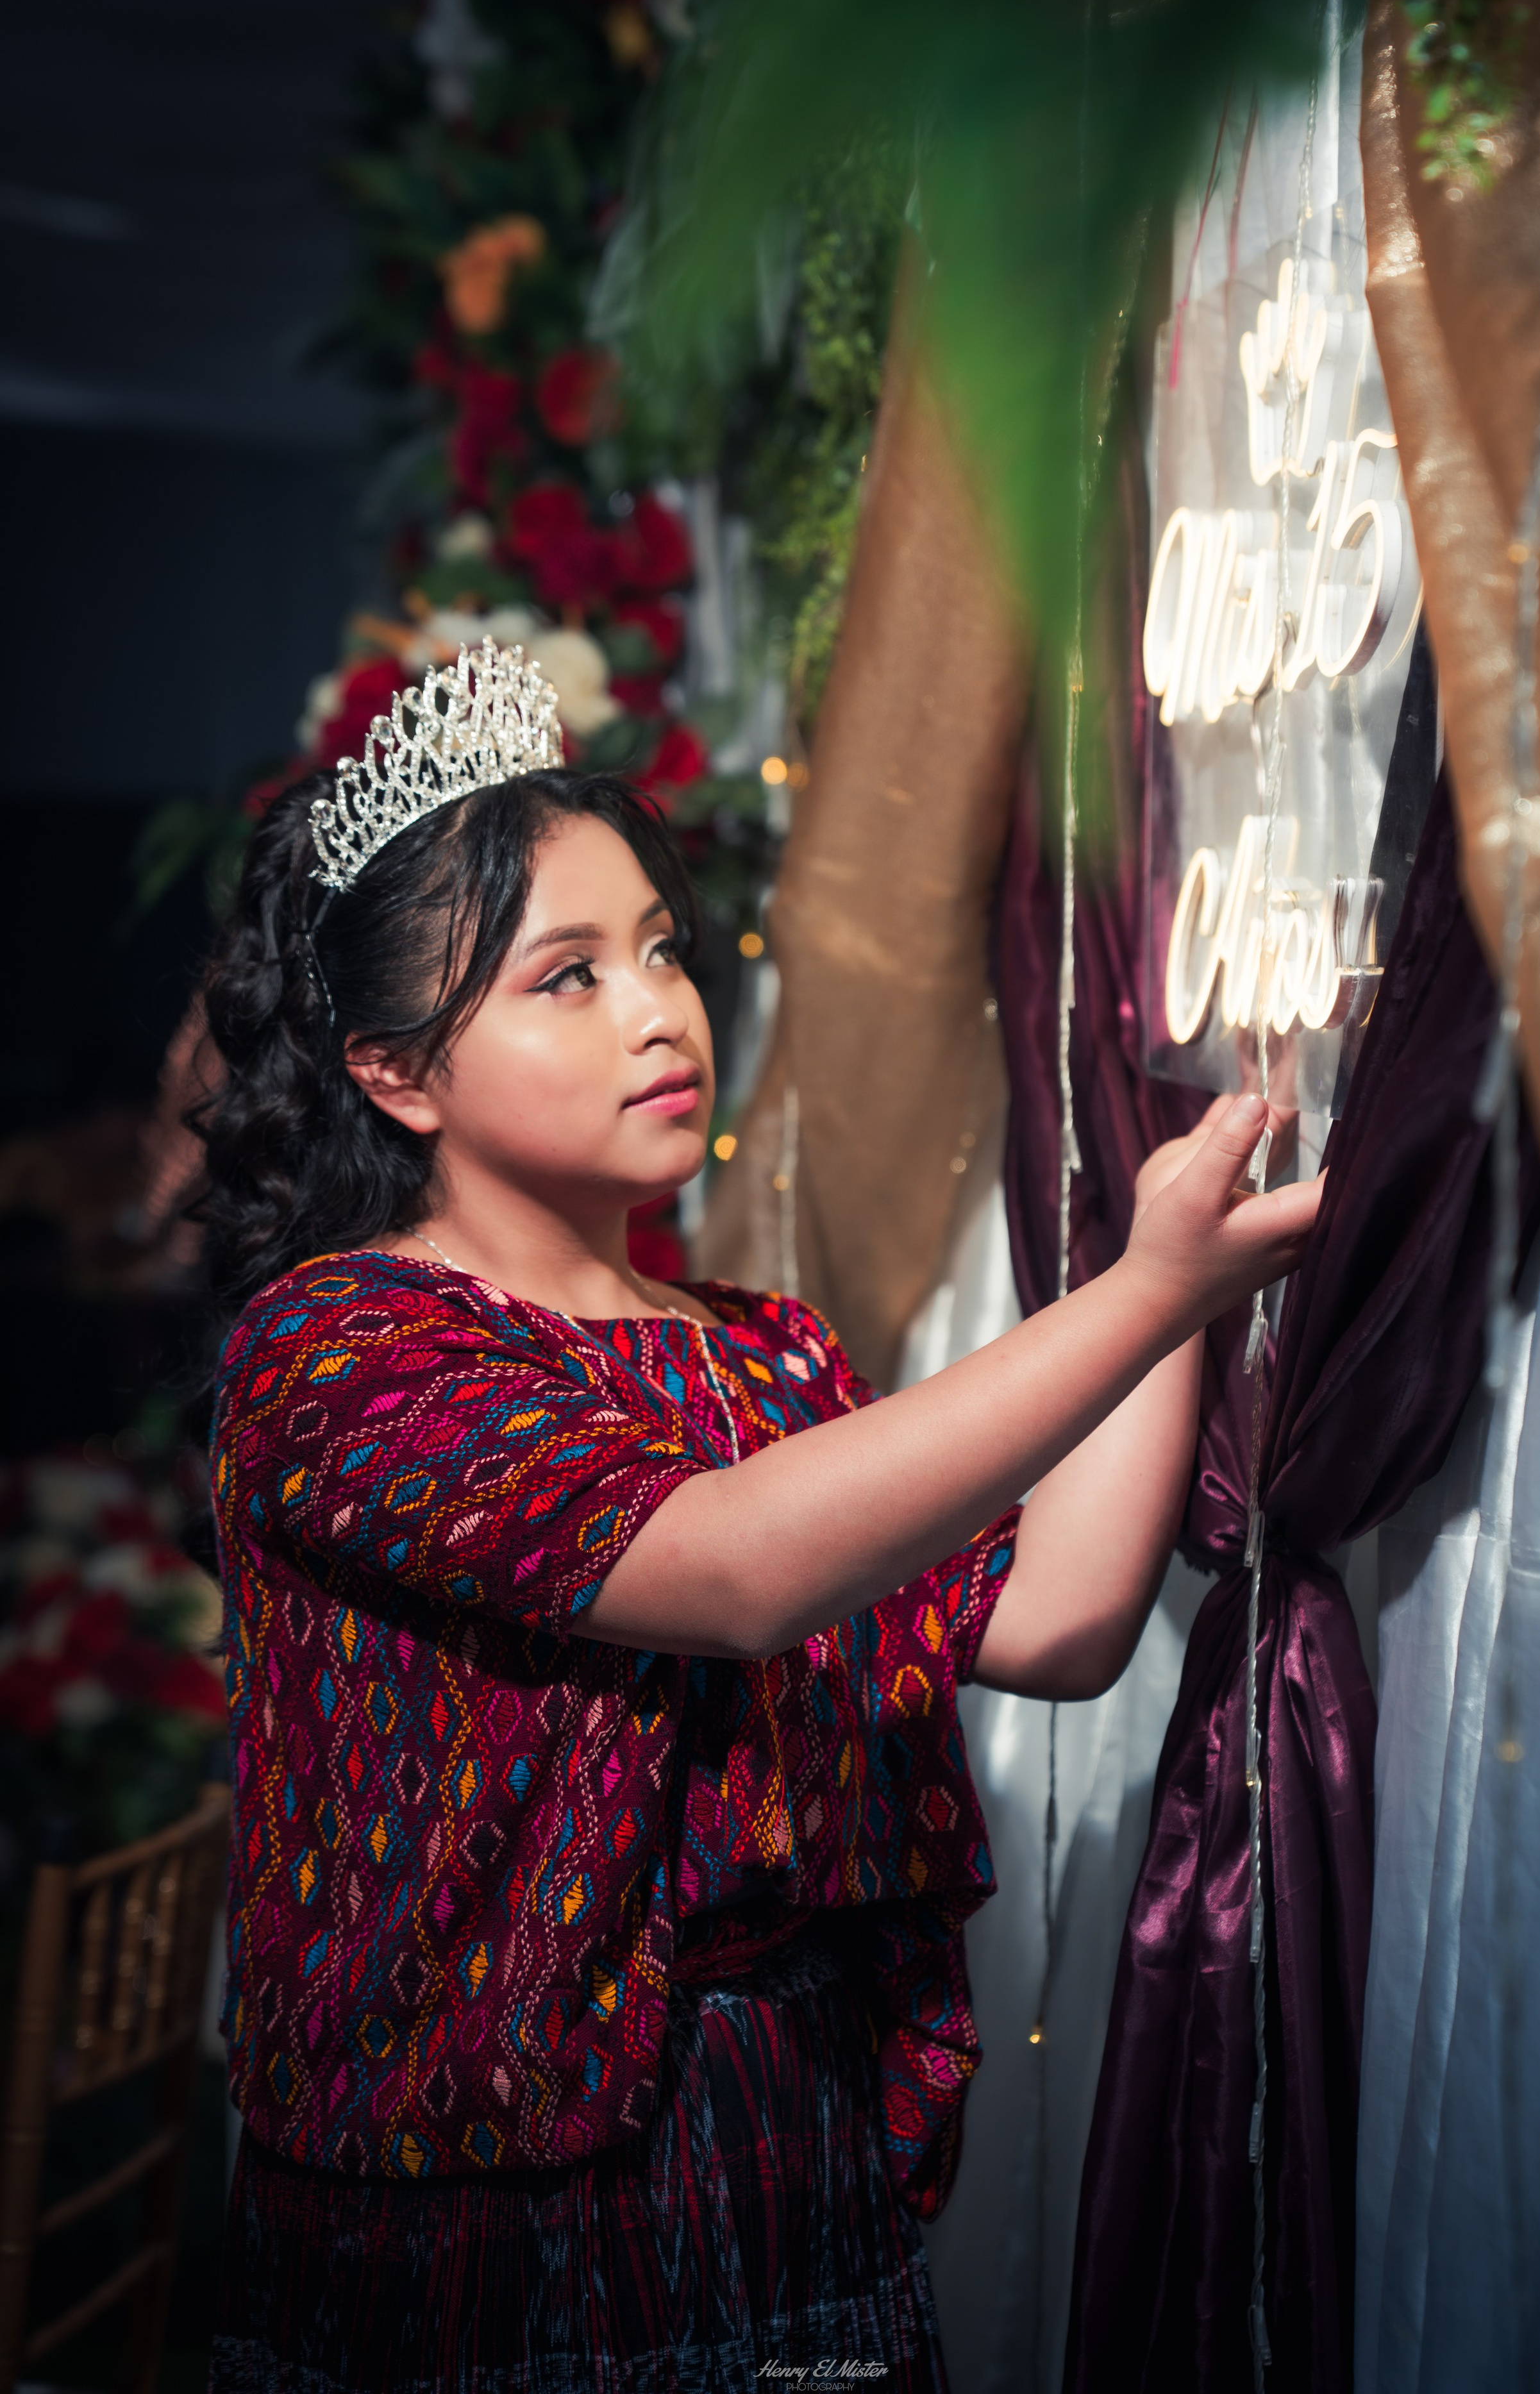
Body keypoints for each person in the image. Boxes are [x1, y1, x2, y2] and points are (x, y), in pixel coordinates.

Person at [199, 644, 1319, 2393]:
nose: (661, 1010)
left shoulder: (763, 1348)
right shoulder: (340, 1348)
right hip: (479, 2217)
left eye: (661, 948)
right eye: (564, 977)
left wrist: (1172, 1289)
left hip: (790, 2163)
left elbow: (1067, 1618)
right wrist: (1139, 1293)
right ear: (396, 1074)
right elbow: (732, 1568)